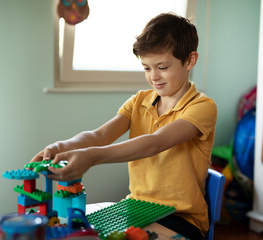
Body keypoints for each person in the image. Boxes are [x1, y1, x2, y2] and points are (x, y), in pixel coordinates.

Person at [30, 12, 217, 240]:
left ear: (190, 60)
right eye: (147, 68)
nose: (154, 77)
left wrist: (92, 157)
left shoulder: (203, 107)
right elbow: (100, 135)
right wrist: (62, 146)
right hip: (136, 208)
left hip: (181, 219)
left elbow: (155, 143)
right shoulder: (139, 101)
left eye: (162, 67)